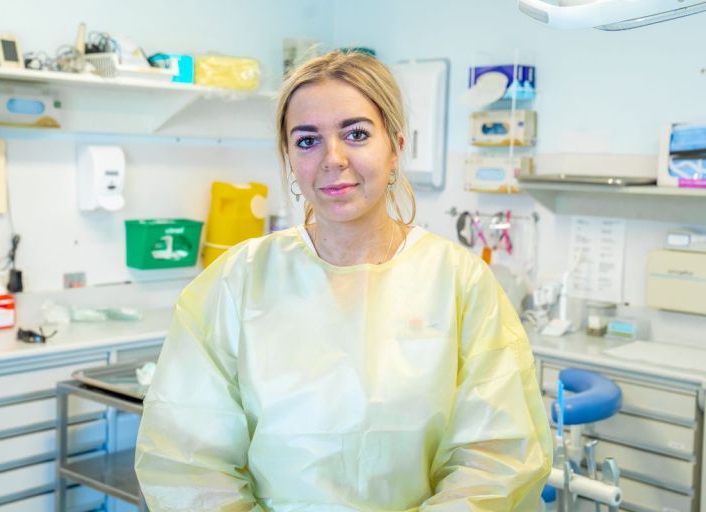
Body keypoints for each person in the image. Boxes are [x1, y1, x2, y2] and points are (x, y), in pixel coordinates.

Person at [135, 50, 552, 511]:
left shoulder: (459, 283)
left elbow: (496, 461)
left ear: (395, 147)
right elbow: (189, 464)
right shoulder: (237, 283)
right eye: (308, 141)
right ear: (289, 158)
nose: (333, 159)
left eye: (356, 134)